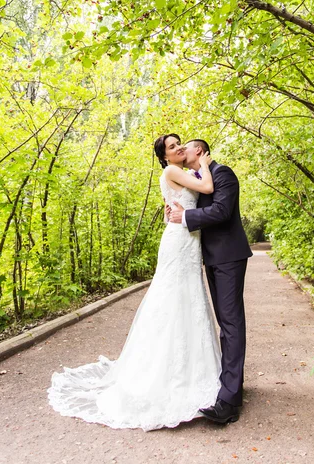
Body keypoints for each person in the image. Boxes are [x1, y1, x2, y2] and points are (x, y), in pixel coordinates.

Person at [47, 133, 222, 432]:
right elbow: (206, 187)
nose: (179, 147)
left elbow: (182, 205)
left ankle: (195, 372)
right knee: (172, 301)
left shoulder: (178, 173)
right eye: (172, 146)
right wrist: (205, 163)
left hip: (185, 238)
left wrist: (183, 208)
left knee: (187, 300)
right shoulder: (172, 170)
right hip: (179, 242)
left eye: (180, 143)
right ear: (164, 156)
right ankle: (165, 376)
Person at [168, 139, 252, 424]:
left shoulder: (223, 173)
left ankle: (228, 402)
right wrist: (175, 211)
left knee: (230, 323)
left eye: (186, 148)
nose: (182, 151)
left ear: (200, 152)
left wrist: (186, 216)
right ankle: (231, 387)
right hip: (210, 258)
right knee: (224, 325)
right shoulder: (196, 178)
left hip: (229, 257)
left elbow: (221, 212)